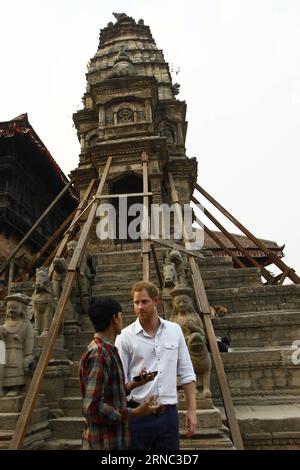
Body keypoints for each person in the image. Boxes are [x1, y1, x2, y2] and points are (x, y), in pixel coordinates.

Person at [115, 281, 197, 450]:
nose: (140, 307)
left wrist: (192, 410)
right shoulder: (125, 337)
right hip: (138, 414)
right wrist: (136, 382)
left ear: (155, 301)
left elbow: (187, 373)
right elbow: (117, 382)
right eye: (136, 302)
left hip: (168, 414)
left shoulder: (175, 330)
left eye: (144, 301)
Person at [79, 296, 161, 450]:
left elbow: (108, 394)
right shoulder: (99, 353)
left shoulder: (108, 350)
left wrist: (133, 385)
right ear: (114, 318)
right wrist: (134, 412)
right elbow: (92, 407)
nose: (122, 319)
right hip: (103, 442)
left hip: (114, 440)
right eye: (121, 315)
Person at [0, 293, 34, 397]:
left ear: (21, 309)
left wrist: (28, 356)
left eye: (14, 307)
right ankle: (2, 387)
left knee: (16, 365)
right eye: (9, 307)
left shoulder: (25, 324)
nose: (11, 310)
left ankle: (15, 387)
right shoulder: (4, 325)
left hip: (17, 351)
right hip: (4, 351)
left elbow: (29, 340)